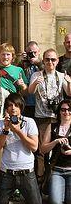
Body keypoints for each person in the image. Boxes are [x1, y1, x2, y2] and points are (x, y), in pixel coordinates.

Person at [28, 48, 71, 189]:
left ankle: (52, 180)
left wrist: (69, 82)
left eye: (53, 59)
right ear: (43, 60)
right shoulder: (37, 74)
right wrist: (35, 83)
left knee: (57, 148)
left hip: (57, 117)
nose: (50, 62)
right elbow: (30, 92)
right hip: (42, 117)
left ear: (57, 61)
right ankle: (40, 181)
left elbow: (69, 93)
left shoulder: (61, 75)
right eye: (47, 59)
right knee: (42, 151)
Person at [0, 93, 42, 204]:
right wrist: (6, 130)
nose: (13, 108)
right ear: (6, 108)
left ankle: (22, 194)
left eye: (16, 105)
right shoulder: (2, 123)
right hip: (8, 172)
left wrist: (18, 131)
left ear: (21, 107)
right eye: (10, 105)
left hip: (26, 172)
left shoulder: (29, 122)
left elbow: (34, 147)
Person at [40, 99, 71, 204]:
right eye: (63, 110)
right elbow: (43, 149)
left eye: (69, 110)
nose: (66, 112)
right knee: (55, 203)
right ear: (59, 111)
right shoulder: (52, 127)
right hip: (56, 169)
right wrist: (55, 142)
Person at [18, 41, 43, 118]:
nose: (32, 55)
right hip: (26, 103)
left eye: (35, 52)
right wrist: (22, 62)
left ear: (39, 52)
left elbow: (47, 72)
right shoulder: (24, 65)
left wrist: (38, 63)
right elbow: (17, 75)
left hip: (40, 103)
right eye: (30, 53)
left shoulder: (44, 62)